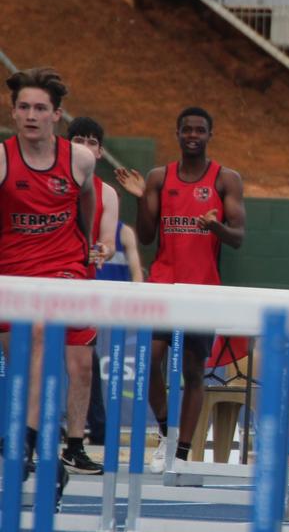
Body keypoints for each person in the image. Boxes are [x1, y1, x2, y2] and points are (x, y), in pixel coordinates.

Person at [115, 107, 246, 473]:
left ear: (209, 135)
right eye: (186, 129)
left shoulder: (226, 180)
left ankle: (183, 453)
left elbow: (238, 237)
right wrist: (140, 198)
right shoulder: (160, 177)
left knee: (193, 372)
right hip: (163, 285)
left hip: (202, 290)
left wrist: (215, 227)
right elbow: (144, 236)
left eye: (199, 130)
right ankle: (165, 429)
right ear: (177, 133)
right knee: (149, 357)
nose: (192, 135)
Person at [0, 68, 96, 500]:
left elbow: (87, 199)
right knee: (21, 365)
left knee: (41, 333)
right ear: (13, 112)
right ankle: (47, 455)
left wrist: (87, 245)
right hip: (12, 271)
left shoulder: (79, 159)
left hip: (63, 269)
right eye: (24, 107)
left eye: (41, 108)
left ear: (57, 115)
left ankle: (24, 441)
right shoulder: (2, 159)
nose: (31, 115)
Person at [60, 117, 120, 474]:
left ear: (100, 151)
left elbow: (108, 241)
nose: (84, 146)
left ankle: (75, 445)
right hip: (36, 283)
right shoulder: (51, 181)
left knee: (81, 368)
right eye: (77, 139)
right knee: (23, 363)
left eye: (91, 141)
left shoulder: (107, 192)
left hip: (82, 284)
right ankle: (17, 438)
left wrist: (104, 249)